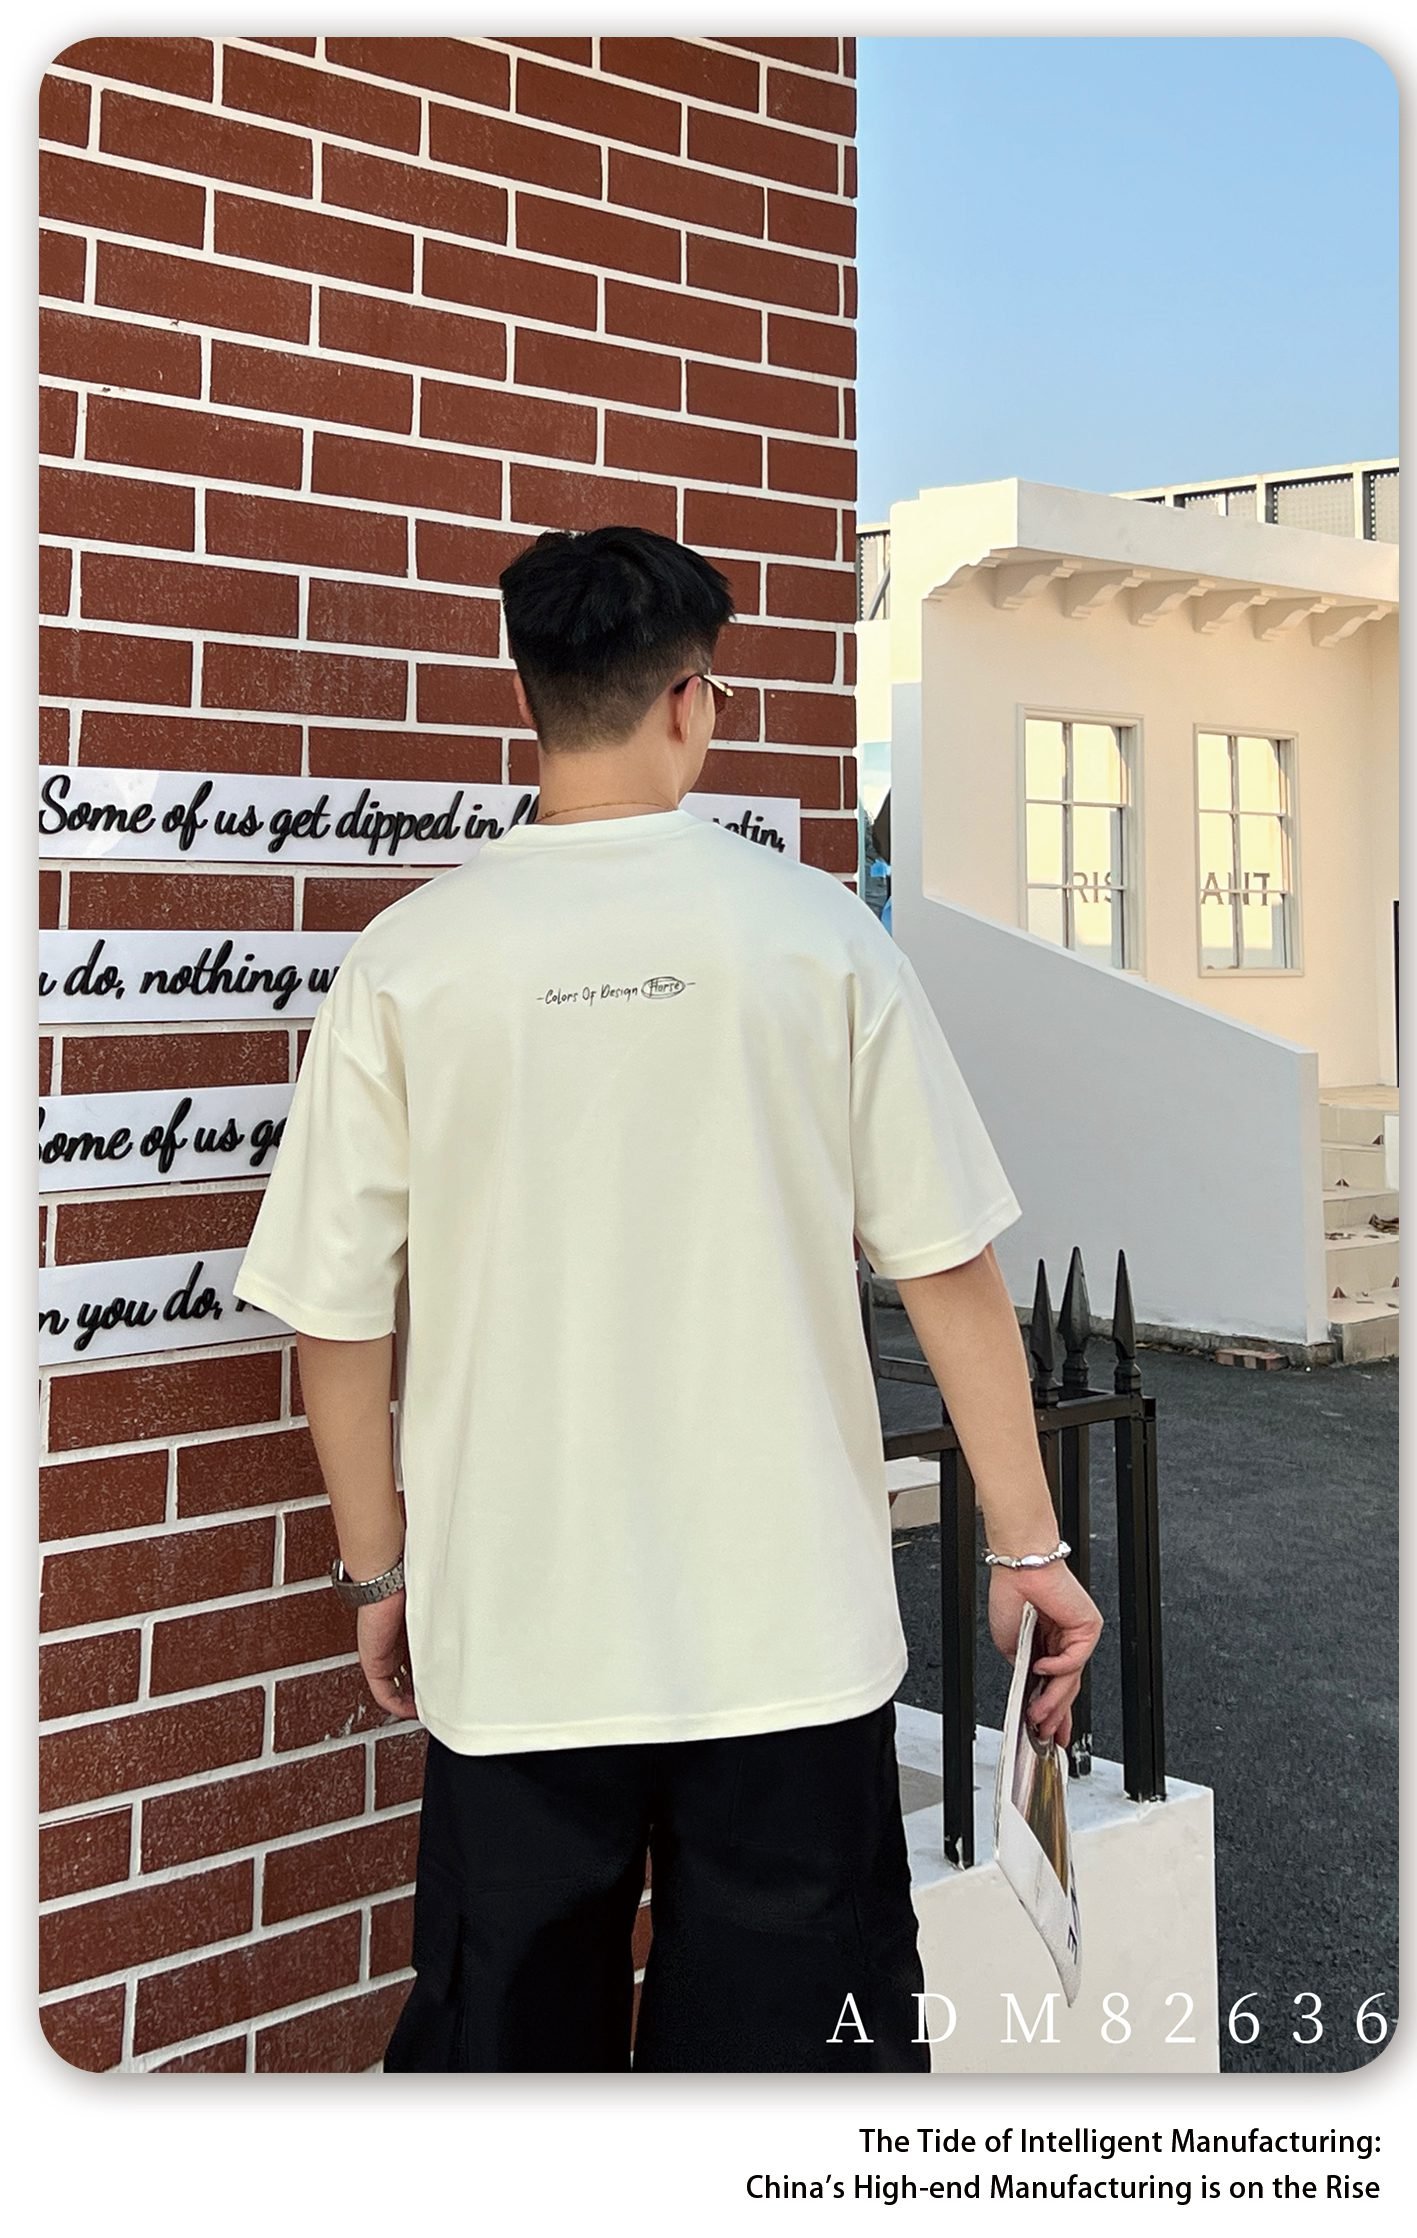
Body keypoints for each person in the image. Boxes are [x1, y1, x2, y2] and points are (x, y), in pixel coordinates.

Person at [232, 524, 1103, 2075]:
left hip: (516, 1630)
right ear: (691, 699)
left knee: (510, 2079)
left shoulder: (408, 961)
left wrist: (379, 1569)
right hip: (788, 1634)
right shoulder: (817, 935)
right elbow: (946, 1264)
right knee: (790, 2087)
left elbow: (336, 1316)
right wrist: (1025, 1544)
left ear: (529, 694)